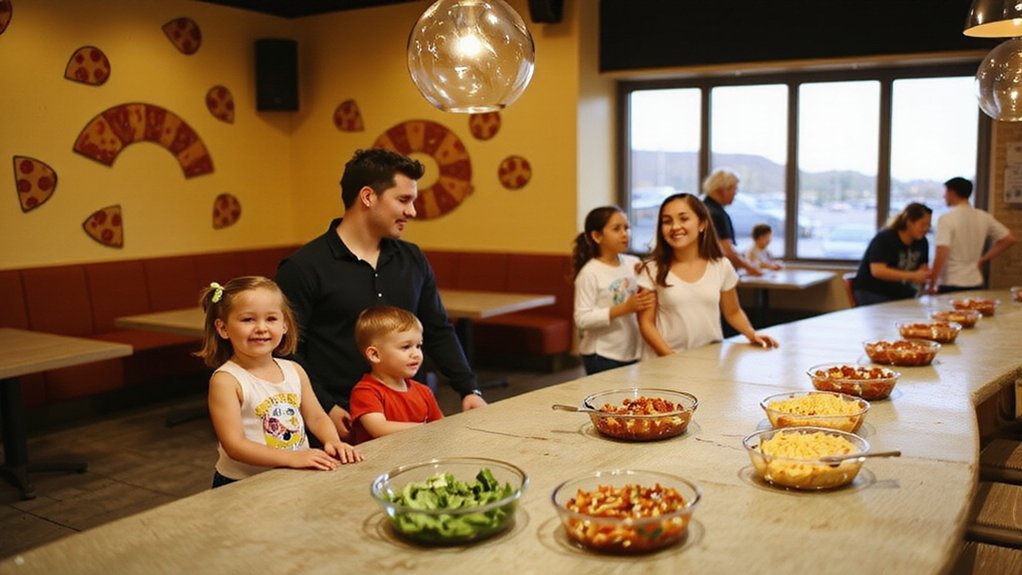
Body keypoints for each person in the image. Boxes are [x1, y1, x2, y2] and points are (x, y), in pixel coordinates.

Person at [276, 148, 485, 442]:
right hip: (339, 423)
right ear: (368, 197)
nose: (412, 211)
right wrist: (326, 407)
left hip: (411, 420)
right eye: (403, 200)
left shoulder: (412, 258)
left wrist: (469, 389)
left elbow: (438, 330)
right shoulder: (302, 267)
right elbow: (287, 351)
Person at [196, 276, 364, 489]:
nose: (261, 328)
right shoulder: (227, 380)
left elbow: (317, 416)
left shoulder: (294, 370)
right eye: (248, 319)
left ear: (285, 325)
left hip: (292, 476)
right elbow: (234, 445)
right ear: (223, 328)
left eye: (271, 319)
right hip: (243, 484)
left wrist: (333, 440)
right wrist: (292, 458)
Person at [637, 193, 779, 357]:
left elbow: (732, 311)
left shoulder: (721, 265)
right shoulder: (652, 269)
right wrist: (670, 357)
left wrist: (751, 334)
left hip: (708, 358)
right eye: (667, 221)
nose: (675, 227)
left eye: (683, 219)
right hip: (664, 362)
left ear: (702, 224)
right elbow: (646, 323)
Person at [571, 206, 656, 375]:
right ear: (597, 236)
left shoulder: (633, 263)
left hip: (630, 350)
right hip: (602, 354)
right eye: (616, 229)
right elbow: (581, 318)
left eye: (627, 228)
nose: (625, 234)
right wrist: (624, 309)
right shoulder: (590, 273)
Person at [348, 306, 444, 444]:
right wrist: (425, 428)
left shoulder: (424, 391)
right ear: (374, 354)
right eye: (406, 347)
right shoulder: (365, 392)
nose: (416, 354)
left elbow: (442, 427)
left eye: (418, 346)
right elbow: (379, 428)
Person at [927, 177, 1016, 294]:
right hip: (975, 280)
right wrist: (983, 259)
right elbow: (1009, 239)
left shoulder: (946, 219)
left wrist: (932, 283)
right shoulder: (983, 216)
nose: (944, 196)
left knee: (951, 313)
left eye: (945, 192)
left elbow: (942, 251)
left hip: (951, 282)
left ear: (952, 192)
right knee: (972, 311)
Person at [851, 202, 932, 306]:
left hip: (901, 292)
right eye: (923, 224)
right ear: (909, 222)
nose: (926, 229)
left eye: (928, 225)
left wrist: (924, 275)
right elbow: (878, 271)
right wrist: (912, 276)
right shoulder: (885, 238)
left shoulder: (922, 242)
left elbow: (922, 268)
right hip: (874, 291)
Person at [701, 168, 764, 277]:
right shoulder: (717, 214)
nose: (736, 194)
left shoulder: (699, 208)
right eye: (734, 189)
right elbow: (727, 251)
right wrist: (750, 267)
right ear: (722, 190)